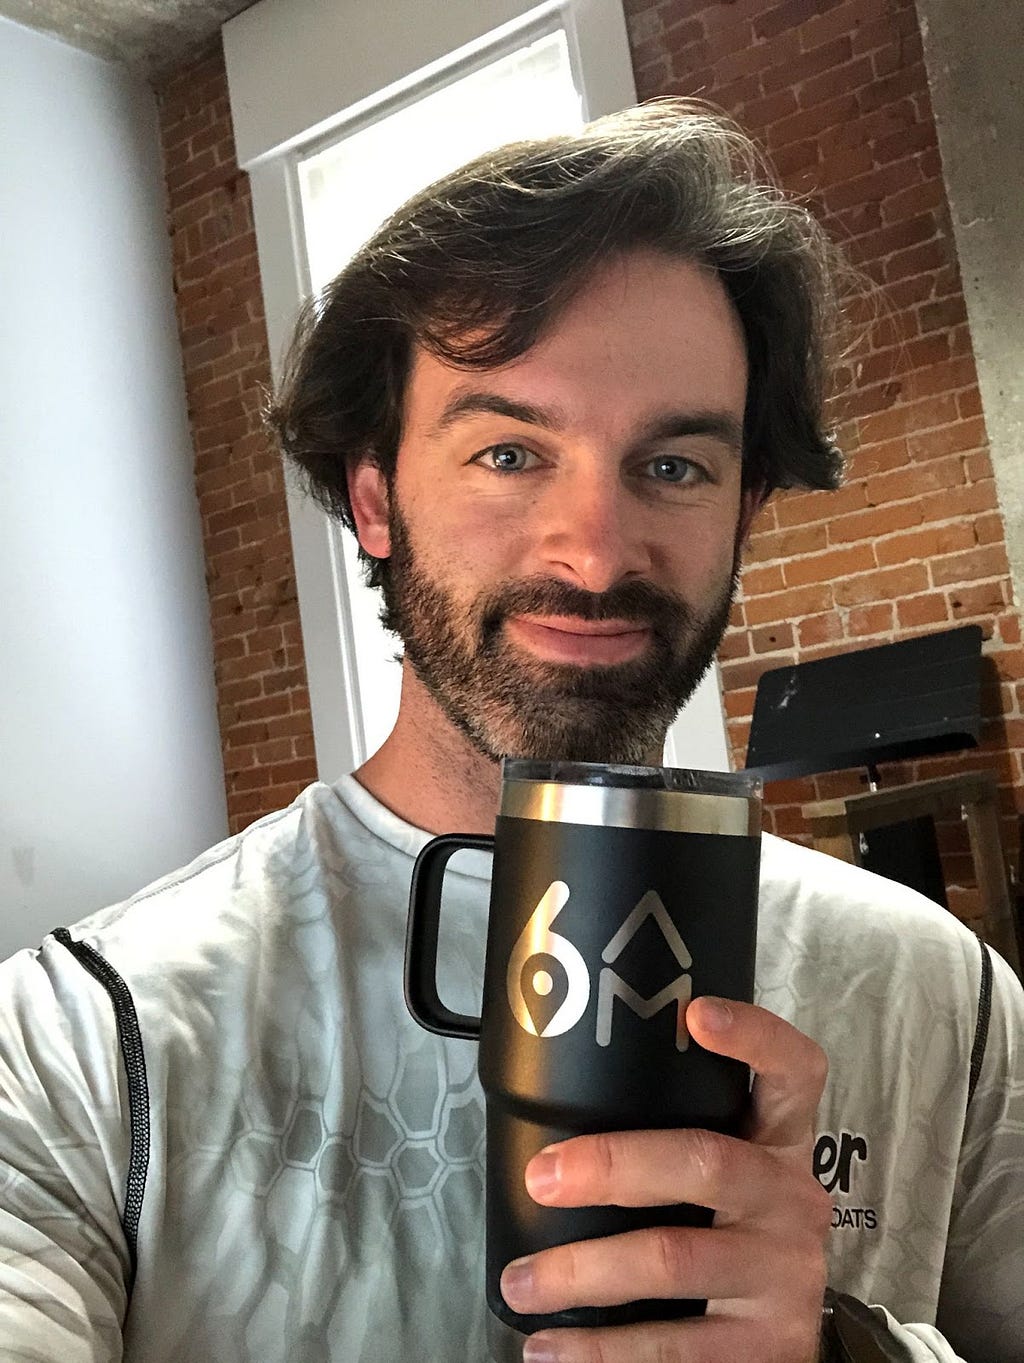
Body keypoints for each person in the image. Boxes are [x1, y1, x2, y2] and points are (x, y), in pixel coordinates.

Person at [0, 100, 1021, 1363]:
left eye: (673, 466)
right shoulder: (88, 1039)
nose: (593, 551)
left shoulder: (939, 995)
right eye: (506, 454)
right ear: (374, 499)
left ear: (745, 505)